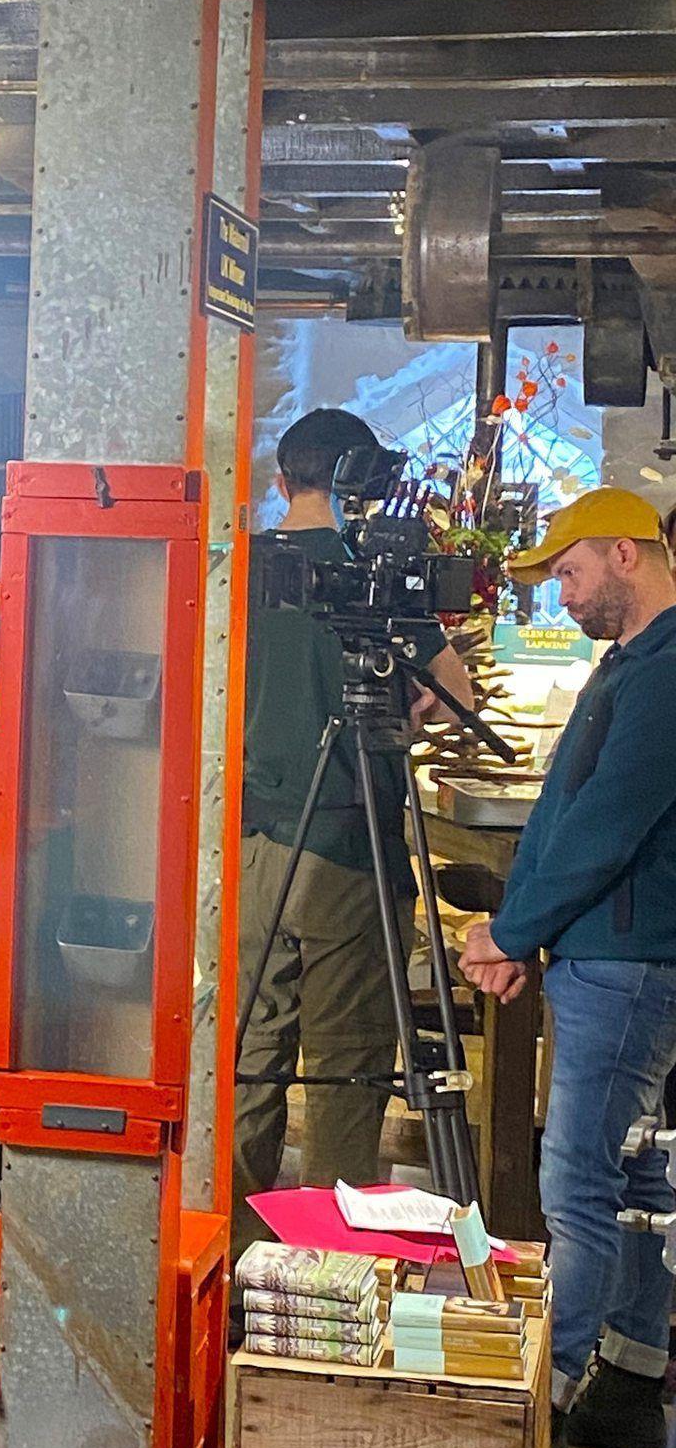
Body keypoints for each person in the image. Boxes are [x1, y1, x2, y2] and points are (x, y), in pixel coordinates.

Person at [457, 487, 676, 1448]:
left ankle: (544, 1404)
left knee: (576, 1188)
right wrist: (522, 932)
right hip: (605, 953)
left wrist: (512, 928)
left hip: (626, 964)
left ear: (625, 555)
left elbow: (605, 826)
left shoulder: (666, 674)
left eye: (573, 573)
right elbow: (565, 814)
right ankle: (630, 1382)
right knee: (630, 1181)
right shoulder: (631, 666)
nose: (564, 594)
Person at [234, 409, 474, 1255]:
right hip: (350, 847)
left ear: (281, 480)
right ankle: (325, 1270)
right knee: (345, 1067)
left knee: (251, 1054)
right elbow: (457, 696)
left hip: (254, 845)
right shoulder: (376, 576)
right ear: (361, 478)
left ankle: (228, 1263)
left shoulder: (242, 569)